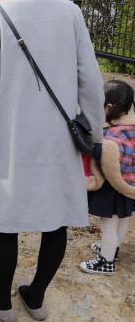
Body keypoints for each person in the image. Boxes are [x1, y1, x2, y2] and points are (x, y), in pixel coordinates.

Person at [0, 0, 104, 322]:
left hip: (11, 140)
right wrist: (92, 133)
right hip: (60, 137)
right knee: (55, 218)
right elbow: (90, 79)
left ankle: (3, 302)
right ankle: (37, 296)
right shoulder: (70, 11)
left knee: (6, 220)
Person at [81, 80, 135, 275]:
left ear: (108, 107)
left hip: (113, 187)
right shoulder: (131, 127)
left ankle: (106, 261)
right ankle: (113, 249)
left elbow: (108, 154)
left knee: (108, 224)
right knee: (123, 220)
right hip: (130, 185)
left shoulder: (111, 134)